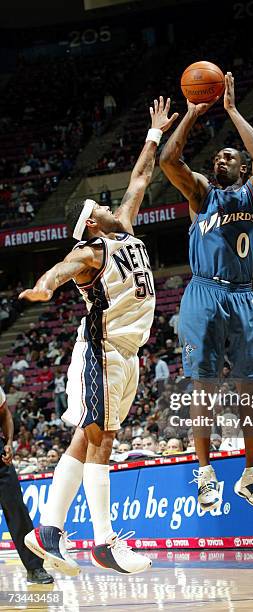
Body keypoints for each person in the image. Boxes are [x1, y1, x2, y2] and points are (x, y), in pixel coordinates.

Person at [19, 97, 178, 577]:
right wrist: (45, 286)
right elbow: (62, 268)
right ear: (91, 224)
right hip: (101, 351)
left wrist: (154, 134)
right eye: (101, 207)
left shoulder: (125, 232)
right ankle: (105, 542)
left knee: (85, 441)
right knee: (102, 438)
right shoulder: (92, 251)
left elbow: (140, 178)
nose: (112, 206)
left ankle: (46, 532)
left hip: (127, 354)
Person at [160, 73, 253, 513]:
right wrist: (190, 114)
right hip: (204, 293)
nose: (220, 161)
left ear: (242, 169)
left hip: (243, 296)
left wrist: (230, 110)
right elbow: (170, 161)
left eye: (229, 157)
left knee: (250, 391)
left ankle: (250, 476)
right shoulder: (201, 194)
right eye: (218, 157)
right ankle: (206, 475)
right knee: (202, 389)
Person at [0, 385, 53, 584]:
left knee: (17, 512)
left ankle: (35, 568)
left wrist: (8, 442)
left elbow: (4, 414)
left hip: (0, 459)